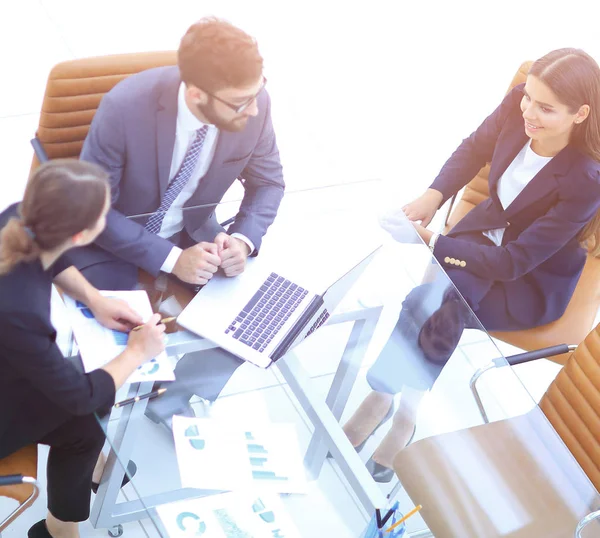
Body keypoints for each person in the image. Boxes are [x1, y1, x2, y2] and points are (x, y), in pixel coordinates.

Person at [344, 48, 600, 482]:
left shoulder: (585, 179)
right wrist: (433, 195)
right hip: (485, 234)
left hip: (529, 279)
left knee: (438, 300)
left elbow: (512, 263)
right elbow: (473, 148)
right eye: (528, 98)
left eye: (545, 108)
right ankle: (398, 407)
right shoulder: (519, 102)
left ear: (580, 114)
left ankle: (392, 406)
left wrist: (430, 241)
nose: (528, 113)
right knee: (435, 298)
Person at [70, 17, 285, 429]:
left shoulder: (256, 103)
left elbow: (269, 182)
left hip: (195, 232)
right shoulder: (124, 107)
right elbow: (91, 213)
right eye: (241, 102)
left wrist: (241, 239)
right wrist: (171, 259)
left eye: (256, 93)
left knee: (251, 322)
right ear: (197, 93)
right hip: (110, 241)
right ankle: (100, 430)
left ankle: (174, 402)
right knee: (118, 341)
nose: (254, 108)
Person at [0, 160, 166, 538]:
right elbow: (79, 397)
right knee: (87, 413)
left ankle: (76, 496)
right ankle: (63, 528)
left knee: (89, 404)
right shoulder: (18, 310)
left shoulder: (17, 217)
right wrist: (137, 351)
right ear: (79, 235)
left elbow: (50, 256)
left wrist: (94, 299)